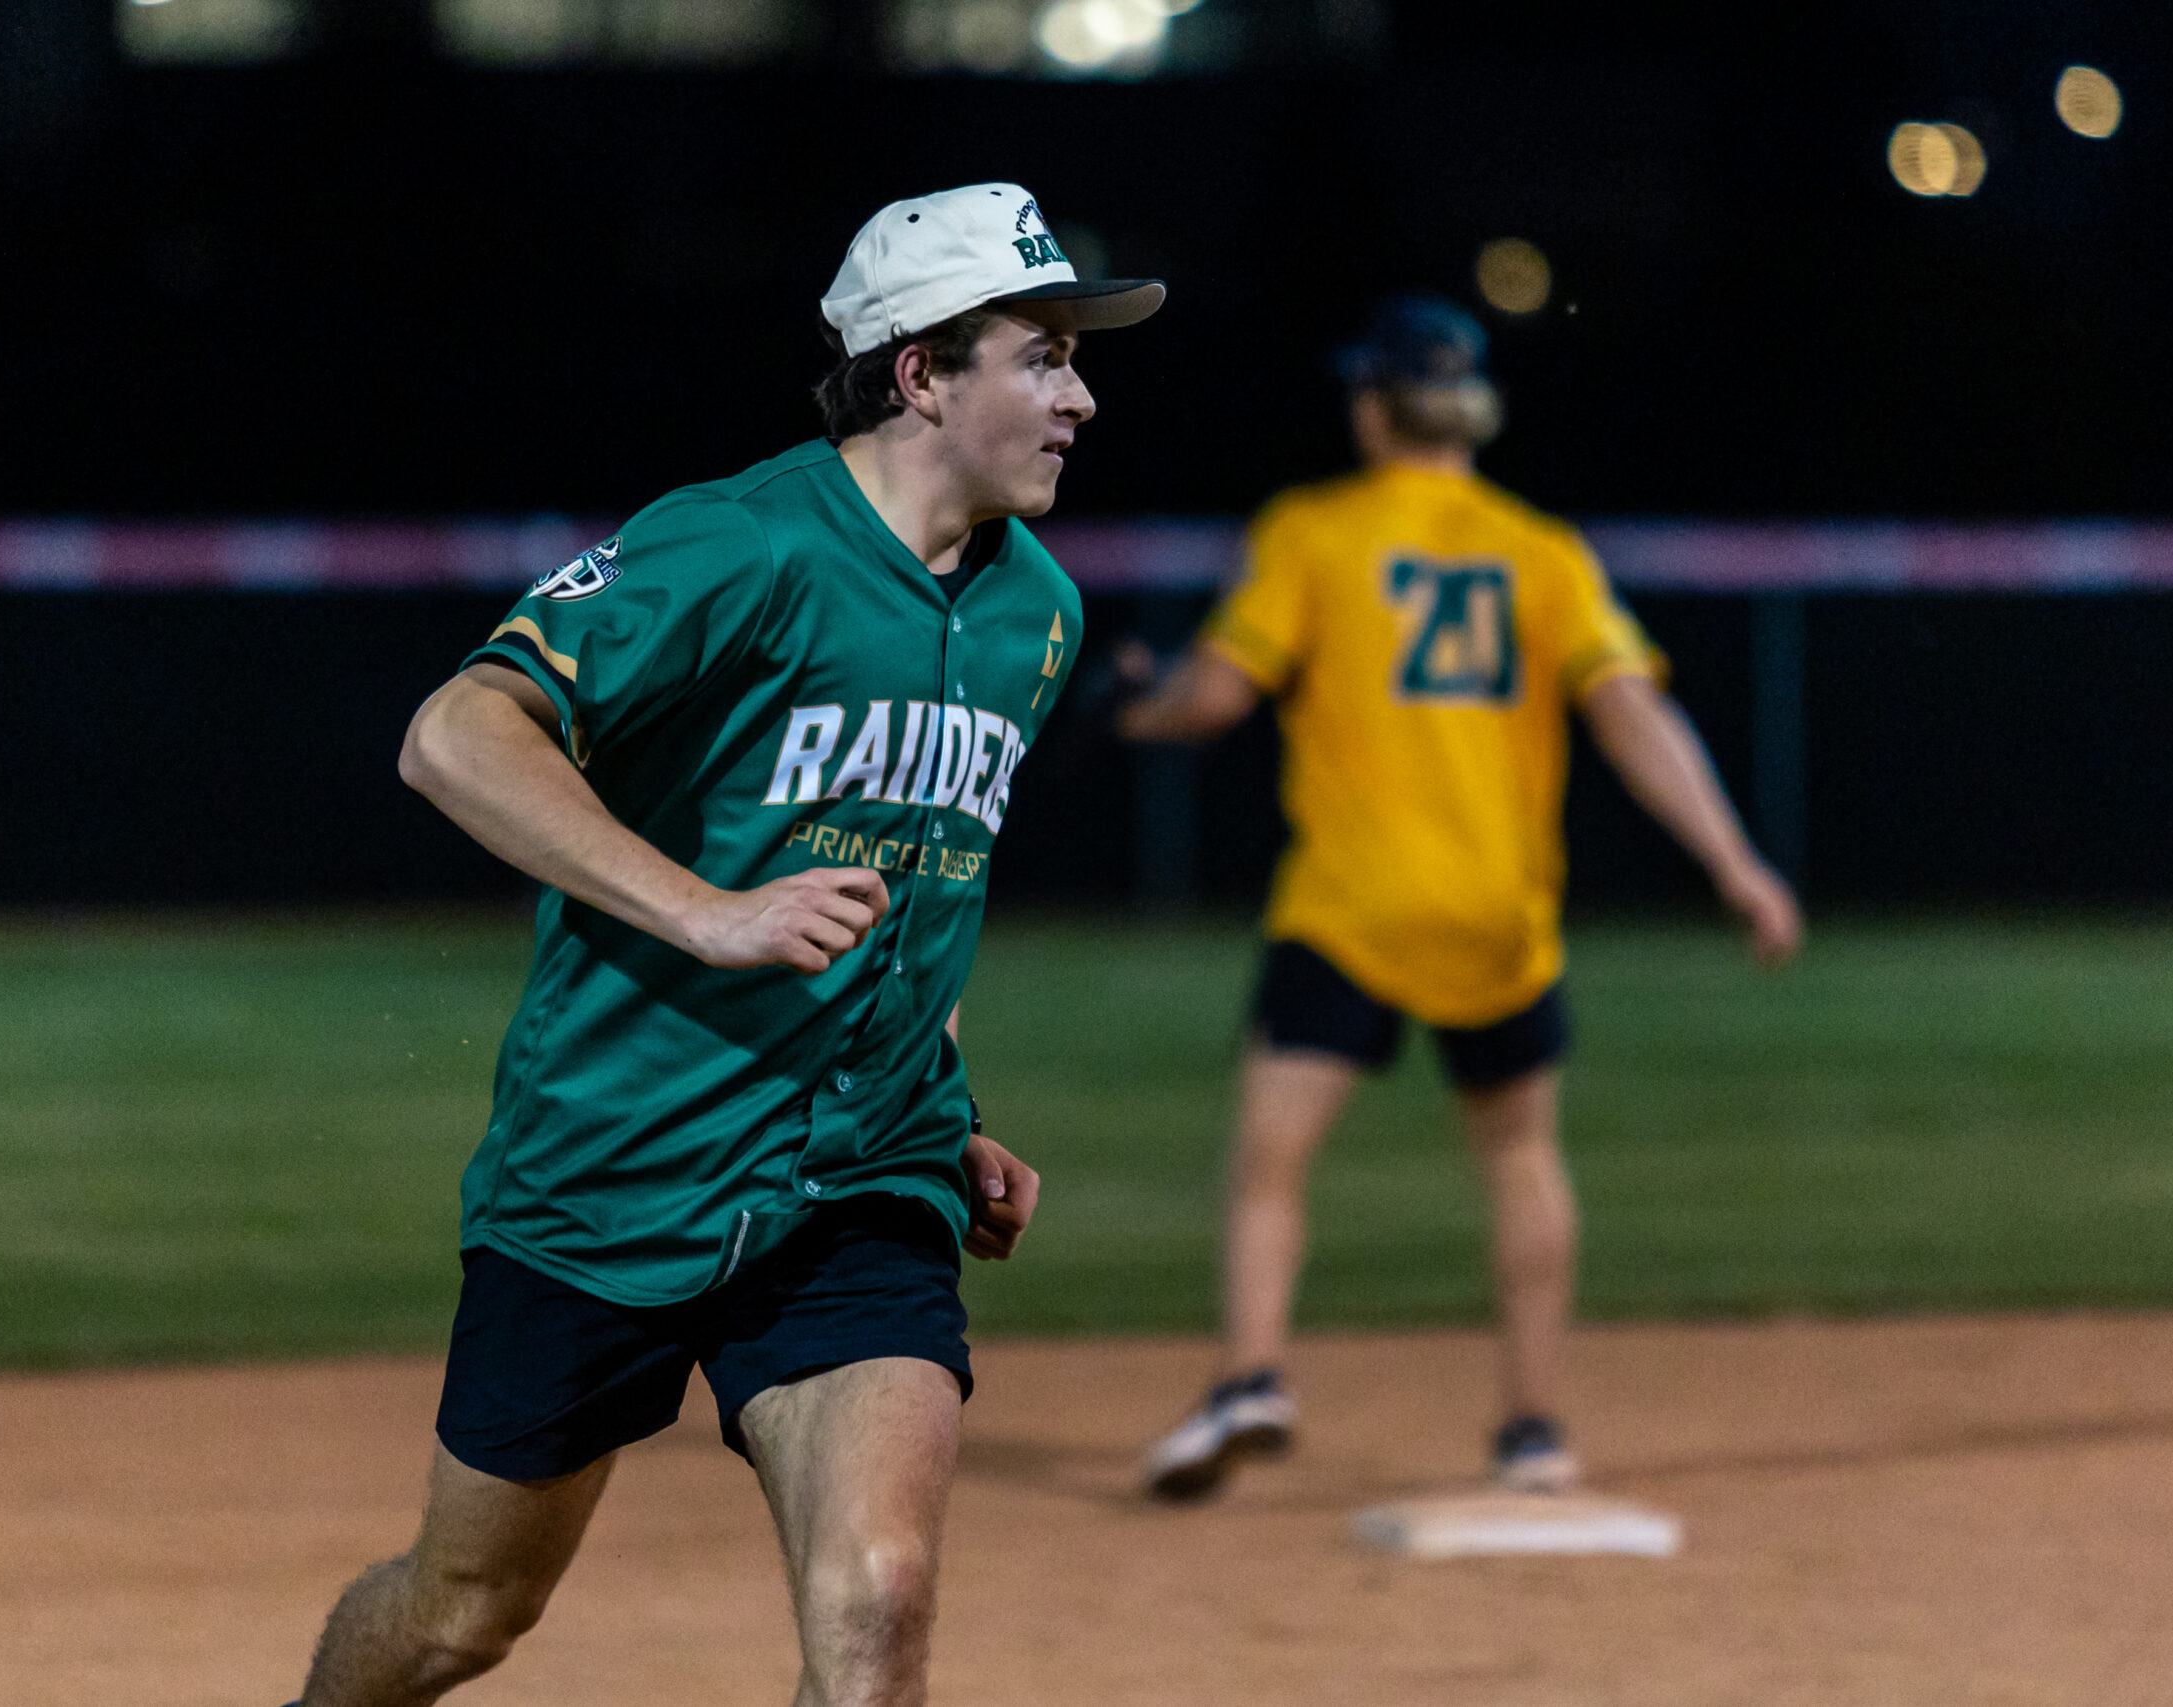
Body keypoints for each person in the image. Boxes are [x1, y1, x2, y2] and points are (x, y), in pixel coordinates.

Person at [286, 184, 1161, 1707]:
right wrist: (707, 910)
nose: (1080, 398)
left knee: (876, 1598)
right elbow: (456, 735)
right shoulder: (741, 544)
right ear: (920, 373)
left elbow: (921, 887)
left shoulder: (1038, 612)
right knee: (461, 1614)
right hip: (615, 1169)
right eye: (1043, 357)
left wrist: (947, 1101)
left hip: (862, 1184)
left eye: (1074, 361)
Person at [1120, 297, 1799, 1502]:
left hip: (1350, 904)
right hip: (1497, 911)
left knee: (1273, 1158)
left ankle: (1252, 1376)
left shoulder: (1315, 530)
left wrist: (1139, 709)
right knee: (1520, 1153)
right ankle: (1534, 1428)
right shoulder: (1539, 549)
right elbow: (1633, 714)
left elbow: (1214, 697)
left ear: (1375, 409)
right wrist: (1734, 863)